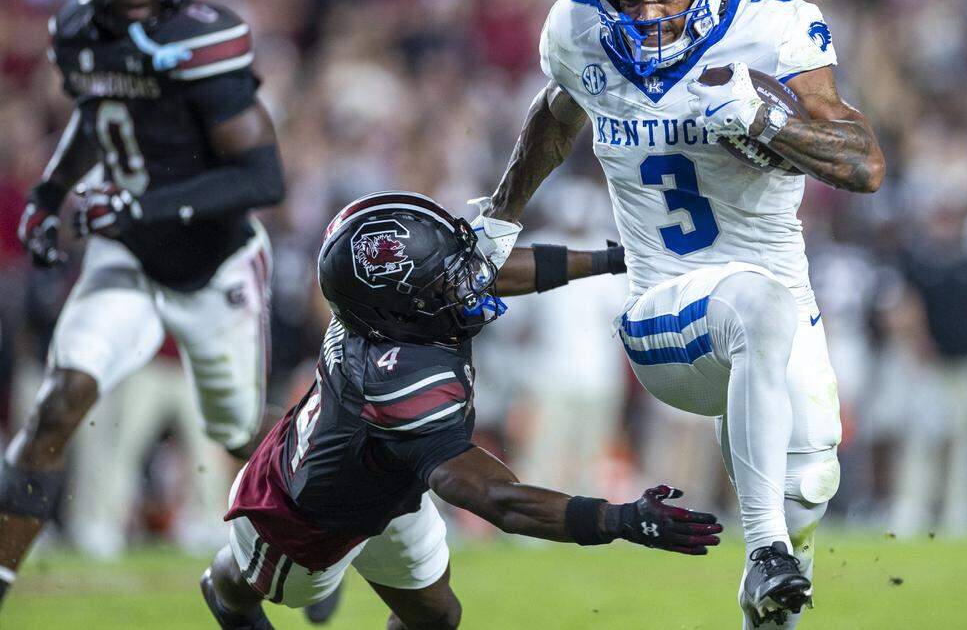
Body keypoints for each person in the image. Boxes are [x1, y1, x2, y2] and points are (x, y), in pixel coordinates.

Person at [481, 0, 884, 627]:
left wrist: (766, 119)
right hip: (662, 312)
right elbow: (557, 111)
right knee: (755, 306)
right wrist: (501, 214)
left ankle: (768, 602)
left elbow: (864, 165)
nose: (645, 14)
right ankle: (763, 547)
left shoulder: (774, 32)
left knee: (809, 483)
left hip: (783, 310)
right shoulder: (578, 32)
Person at [200, 191, 721, 630]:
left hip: (385, 479)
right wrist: (621, 520)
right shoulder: (402, 386)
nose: (469, 282)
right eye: (446, 278)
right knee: (244, 586)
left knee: (438, 618)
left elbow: (489, 272)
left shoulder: (382, 309)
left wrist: (612, 260)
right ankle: (222, 589)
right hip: (309, 515)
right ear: (403, 307)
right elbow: (500, 501)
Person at [1, 0, 284, 606]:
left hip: (214, 264)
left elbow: (263, 178)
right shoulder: (77, 32)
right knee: (60, 398)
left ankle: (310, 538)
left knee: (238, 431)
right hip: (127, 253)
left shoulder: (204, 41)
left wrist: (144, 203)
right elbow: (99, 112)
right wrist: (48, 192)